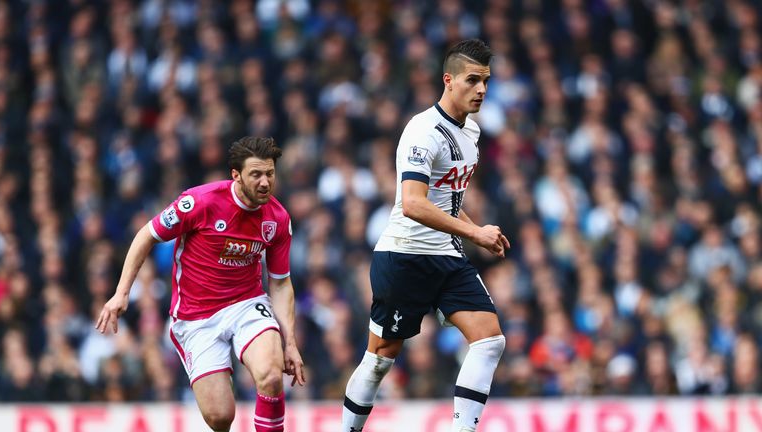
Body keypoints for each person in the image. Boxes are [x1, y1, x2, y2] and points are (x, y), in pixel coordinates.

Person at [341, 39, 510, 432]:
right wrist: (475, 233)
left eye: (486, 81)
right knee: (381, 358)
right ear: (448, 80)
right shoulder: (422, 131)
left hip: (447, 258)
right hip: (404, 255)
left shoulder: (473, 135)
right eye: (473, 80)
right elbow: (414, 203)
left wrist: (474, 232)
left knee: (490, 341)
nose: (482, 89)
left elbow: (446, 201)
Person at [96, 137, 305, 432]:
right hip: (197, 317)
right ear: (236, 175)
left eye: (269, 174)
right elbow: (147, 235)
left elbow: (281, 284)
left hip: (246, 304)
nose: (264, 183)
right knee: (220, 416)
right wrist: (121, 293)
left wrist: (290, 342)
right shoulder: (199, 202)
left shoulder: (278, 218)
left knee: (271, 377)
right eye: (255, 174)